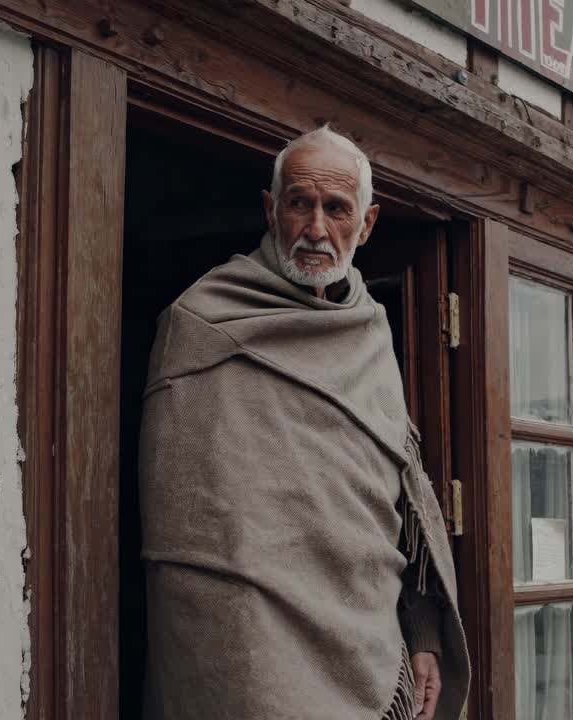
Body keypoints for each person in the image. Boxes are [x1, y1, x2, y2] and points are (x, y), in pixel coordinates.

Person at [138, 126, 469, 720]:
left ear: (366, 225)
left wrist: (421, 632)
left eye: (337, 209)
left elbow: (397, 499)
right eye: (300, 203)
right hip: (250, 646)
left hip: (369, 639)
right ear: (271, 210)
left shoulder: (372, 332)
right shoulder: (201, 324)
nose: (317, 229)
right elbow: (187, 529)